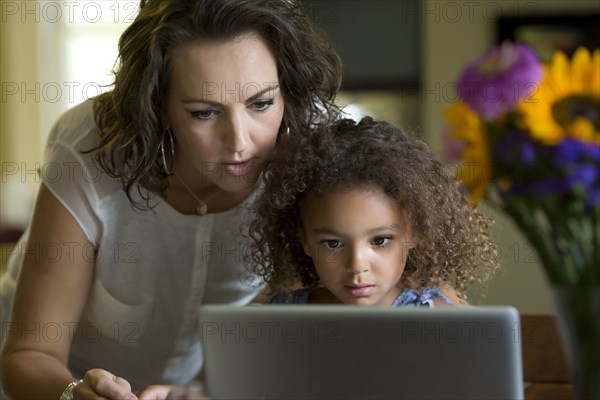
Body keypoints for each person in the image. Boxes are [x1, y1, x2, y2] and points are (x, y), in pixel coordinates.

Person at [0, 0, 341, 399]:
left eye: (261, 103)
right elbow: (29, 353)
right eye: (204, 112)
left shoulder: (312, 143)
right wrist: (75, 393)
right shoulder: (90, 148)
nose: (240, 143)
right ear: (157, 106)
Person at [248, 117, 500, 307]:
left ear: (415, 233)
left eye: (380, 240)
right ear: (303, 240)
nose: (357, 265)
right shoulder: (284, 314)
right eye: (333, 243)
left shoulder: (439, 312)